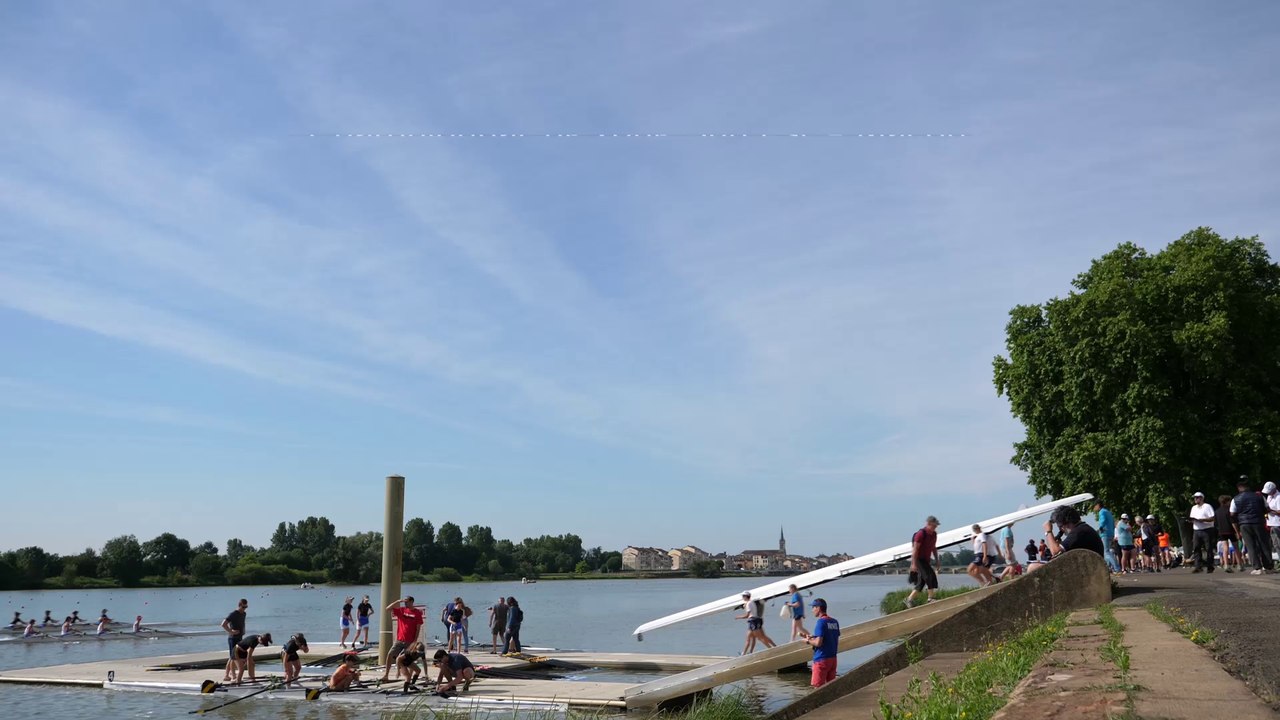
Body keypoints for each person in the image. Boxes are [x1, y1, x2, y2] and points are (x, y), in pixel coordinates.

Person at [1030, 505, 1104, 571]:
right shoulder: (1083, 529)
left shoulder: (1078, 532)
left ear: (1065, 524)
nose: (1061, 530)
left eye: (1060, 527)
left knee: (1033, 567)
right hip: (1090, 570)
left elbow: (1055, 552)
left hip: (1087, 573)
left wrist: (1048, 531)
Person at [1230, 477, 1273, 575]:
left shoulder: (1235, 499)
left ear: (1239, 488)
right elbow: (1267, 509)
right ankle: (1268, 566)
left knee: (1250, 546)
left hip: (1244, 524)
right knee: (1264, 544)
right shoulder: (1259, 496)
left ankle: (1257, 568)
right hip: (1259, 522)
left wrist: (1237, 526)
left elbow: (1232, 514)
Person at [380, 596, 425, 683]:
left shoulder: (417, 613)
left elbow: (418, 627)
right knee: (390, 654)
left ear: (412, 602)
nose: (405, 603)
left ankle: (409, 677)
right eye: (404, 602)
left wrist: (415, 641)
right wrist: (397, 600)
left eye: (407, 602)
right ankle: (386, 675)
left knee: (407, 659)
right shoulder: (401, 610)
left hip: (410, 641)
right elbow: (387, 608)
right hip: (400, 639)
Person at [798, 598, 840, 688]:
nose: (812, 610)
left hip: (821, 659)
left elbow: (818, 643)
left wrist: (808, 641)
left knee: (817, 688)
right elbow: (830, 637)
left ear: (818, 608)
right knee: (831, 688)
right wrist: (812, 637)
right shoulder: (834, 622)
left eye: (813, 607)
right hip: (832, 659)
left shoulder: (821, 622)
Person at [905, 516, 941, 608]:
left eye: (936, 526)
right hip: (918, 559)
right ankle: (930, 598)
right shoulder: (920, 534)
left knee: (922, 582)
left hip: (926, 559)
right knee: (929, 575)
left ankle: (909, 599)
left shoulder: (934, 534)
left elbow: (933, 548)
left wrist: (937, 560)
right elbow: (915, 550)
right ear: (928, 524)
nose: (935, 528)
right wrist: (913, 564)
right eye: (934, 526)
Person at [220, 598, 248, 683]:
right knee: (233, 657)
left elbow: (242, 623)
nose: (244, 609)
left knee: (233, 657)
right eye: (243, 607)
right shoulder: (233, 614)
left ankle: (227, 675)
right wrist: (231, 631)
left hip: (240, 638)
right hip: (233, 638)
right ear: (239, 605)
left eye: (246, 607)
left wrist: (243, 631)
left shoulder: (244, 614)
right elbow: (223, 624)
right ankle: (233, 676)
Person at [1188, 492, 1216, 573]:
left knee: (1208, 548)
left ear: (1202, 498)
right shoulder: (1193, 508)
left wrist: (1202, 520)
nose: (1195, 499)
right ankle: (1198, 566)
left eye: (1197, 497)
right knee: (1196, 548)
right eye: (1195, 498)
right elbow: (1192, 518)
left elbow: (1213, 518)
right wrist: (1192, 520)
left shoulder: (1207, 506)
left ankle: (1210, 566)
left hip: (1207, 529)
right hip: (1197, 530)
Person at [1094, 501, 1118, 572]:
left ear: (1098, 505)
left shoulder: (1102, 512)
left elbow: (1103, 520)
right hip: (1110, 533)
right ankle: (1109, 567)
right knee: (1109, 551)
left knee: (1106, 552)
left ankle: (1116, 568)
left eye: (1095, 506)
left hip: (1105, 533)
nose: (1094, 508)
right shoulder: (1108, 512)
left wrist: (1100, 528)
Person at [1265, 482, 1280, 564]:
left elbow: (1279, 511)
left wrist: (1270, 511)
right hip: (1271, 523)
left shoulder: (1278, 497)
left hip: (1277, 523)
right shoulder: (1269, 497)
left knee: (1279, 543)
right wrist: (1266, 518)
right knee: (1275, 544)